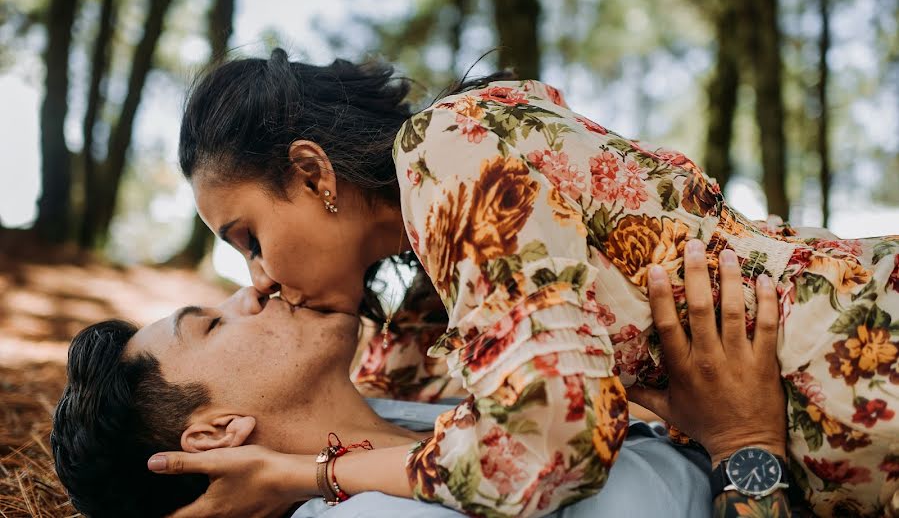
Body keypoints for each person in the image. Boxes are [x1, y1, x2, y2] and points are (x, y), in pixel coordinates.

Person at [166, 51, 898, 516]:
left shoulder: (446, 147)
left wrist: (315, 475)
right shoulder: (431, 295)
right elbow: (376, 409)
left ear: (311, 173)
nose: (258, 279)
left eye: (249, 239)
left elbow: (544, 440)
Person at [52, 249, 776, 518]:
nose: (252, 288)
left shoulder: (397, 408)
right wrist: (747, 449)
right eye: (209, 326)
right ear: (213, 432)